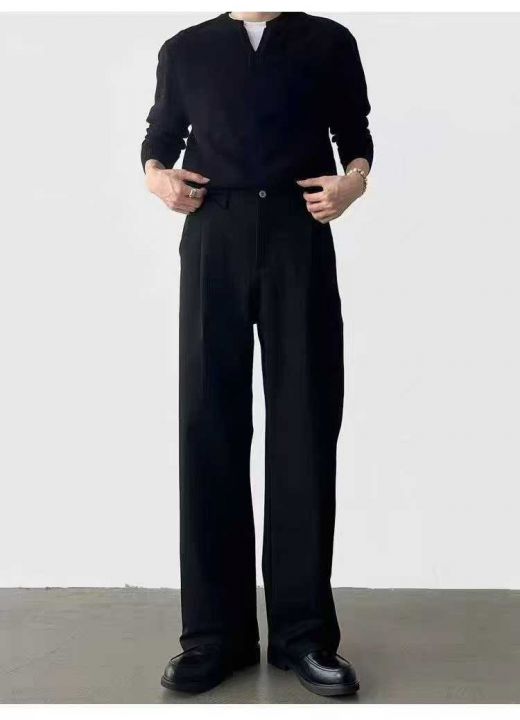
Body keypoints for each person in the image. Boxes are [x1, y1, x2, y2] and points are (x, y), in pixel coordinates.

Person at [141, 10, 373, 697]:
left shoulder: (327, 41)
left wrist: (353, 181)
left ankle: (304, 636)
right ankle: (215, 636)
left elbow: (355, 133)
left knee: (305, 422)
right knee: (207, 423)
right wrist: (157, 177)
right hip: (212, 233)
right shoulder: (186, 48)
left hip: (299, 231)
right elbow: (160, 136)